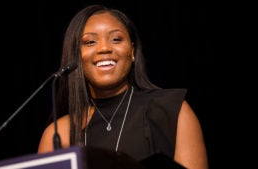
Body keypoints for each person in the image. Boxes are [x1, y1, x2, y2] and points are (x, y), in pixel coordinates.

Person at [38, 4, 208, 169]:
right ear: (76, 57)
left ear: (132, 52)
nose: (104, 48)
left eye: (116, 39)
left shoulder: (172, 111)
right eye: (90, 42)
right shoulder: (59, 133)